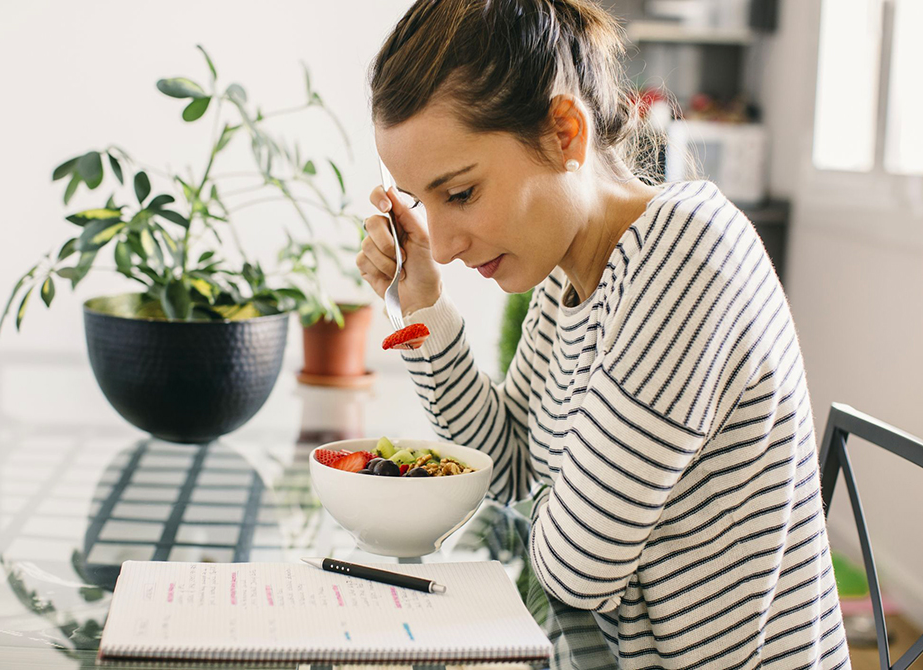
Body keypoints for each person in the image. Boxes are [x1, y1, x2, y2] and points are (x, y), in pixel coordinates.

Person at [357, 0, 850, 668]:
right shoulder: (567, 287)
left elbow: (577, 566)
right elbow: (505, 469)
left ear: (565, 132)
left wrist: (564, 510)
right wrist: (423, 309)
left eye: (462, 193)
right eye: (422, 203)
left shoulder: (685, 255)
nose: (440, 246)